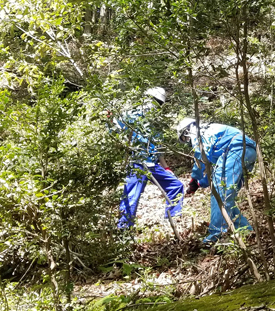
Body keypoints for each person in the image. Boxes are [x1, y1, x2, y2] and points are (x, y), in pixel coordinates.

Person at [109, 87, 184, 229]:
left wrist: (166, 168)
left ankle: (172, 218)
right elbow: (115, 130)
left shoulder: (156, 123)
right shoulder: (131, 116)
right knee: (132, 197)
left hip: (152, 165)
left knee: (176, 185)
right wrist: (109, 119)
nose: (155, 105)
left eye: (159, 103)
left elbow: (158, 151)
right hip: (136, 164)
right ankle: (124, 228)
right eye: (154, 101)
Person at [177, 118, 257, 244]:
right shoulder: (211, 131)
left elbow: (200, 155)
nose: (188, 142)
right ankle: (245, 230)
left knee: (220, 193)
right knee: (227, 196)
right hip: (248, 151)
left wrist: (194, 178)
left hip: (236, 149)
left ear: (186, 131)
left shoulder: (198, 132)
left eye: (185, 139)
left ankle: (216, 235)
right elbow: (214, 171)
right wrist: (199, 183)